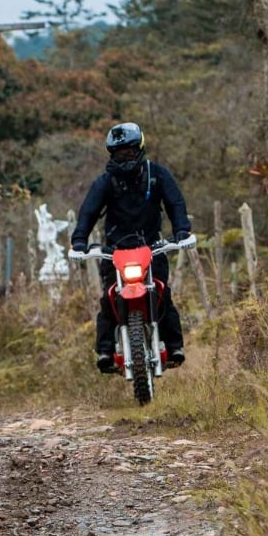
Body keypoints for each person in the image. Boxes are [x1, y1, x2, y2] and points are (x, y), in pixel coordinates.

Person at [70, 122, 191, 373]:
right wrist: (79, 240)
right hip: (115, 251)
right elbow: (88, 211)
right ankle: (104, 351)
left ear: (140, 148)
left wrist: (181, 230)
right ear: (111, 154)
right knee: (108, 299)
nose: (125, 156)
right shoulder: (105, 182)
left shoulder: (158, 174)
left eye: (129, 150)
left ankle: (174, 345)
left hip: (152, 247)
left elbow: (175, 203)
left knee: (162, 294)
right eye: (119, 152)